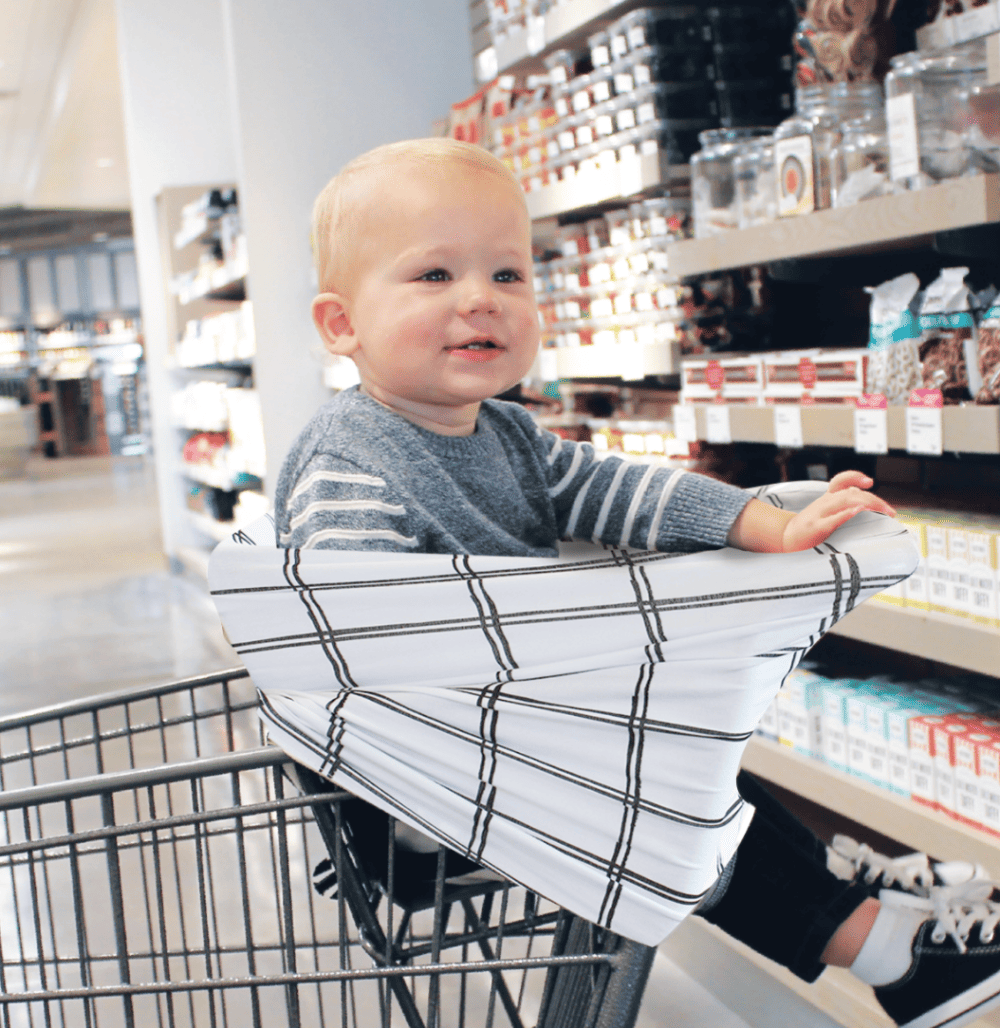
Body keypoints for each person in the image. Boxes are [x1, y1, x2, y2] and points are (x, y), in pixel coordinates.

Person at [273, 136, 1000, 1028]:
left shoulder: (502, 434)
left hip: (514, 755)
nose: (480, 299)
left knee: (678, 759)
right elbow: (358, 641)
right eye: (433, 276)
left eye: (508, 274)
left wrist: (759, 521)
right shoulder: (351, 464)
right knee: (661, 789)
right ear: (341, 325)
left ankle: (863, 909)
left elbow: (612, 488)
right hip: (420, 789)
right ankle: (876, 940)